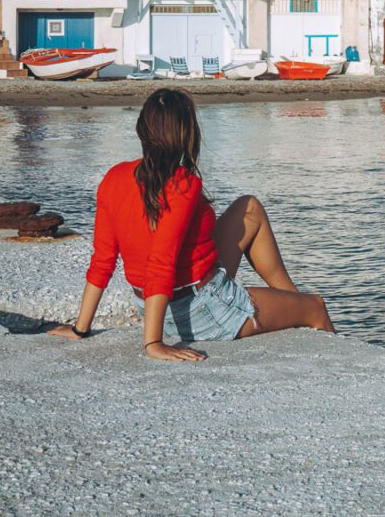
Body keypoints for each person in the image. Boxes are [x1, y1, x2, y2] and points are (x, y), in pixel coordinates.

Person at [49, 87, 333, 360]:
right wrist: (154, 343)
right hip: (202, 308)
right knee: (316, 308)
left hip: (158, 304)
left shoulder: (115, 177)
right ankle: (311, 327)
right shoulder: (183, 183)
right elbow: (160, 261)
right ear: (188, 135)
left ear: (142, 131)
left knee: (250, 208)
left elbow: (103, 259)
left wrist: (80, 329)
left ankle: (290, 300)